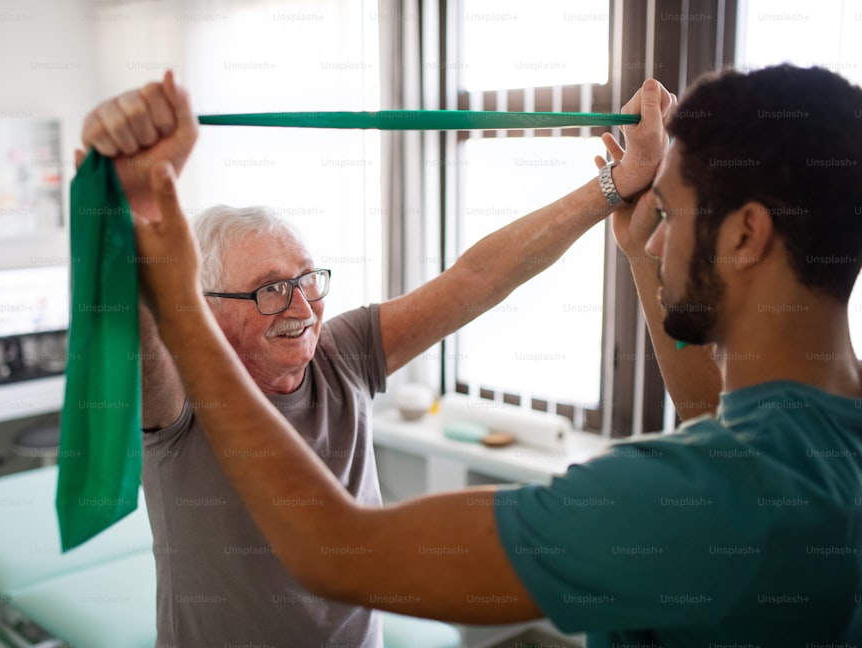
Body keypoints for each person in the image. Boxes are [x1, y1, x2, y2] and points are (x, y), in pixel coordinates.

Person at [130, 64, 862, 645]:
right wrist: (631, 230)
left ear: (746, 236)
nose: (658, 234)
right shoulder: (810, 449)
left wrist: (170, 282)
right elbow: (713, 415)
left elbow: (337, 552)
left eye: (670, 212)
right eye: (266, 290)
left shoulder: (681, 497)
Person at [80, 72, 674, 647]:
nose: (302, 306)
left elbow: (478, 276)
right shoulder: (179, 396)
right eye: (269, 288)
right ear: (206, 308)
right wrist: (127, 208)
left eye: (308, 278)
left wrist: (616, 185)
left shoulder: (342, 353)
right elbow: (140, 327)